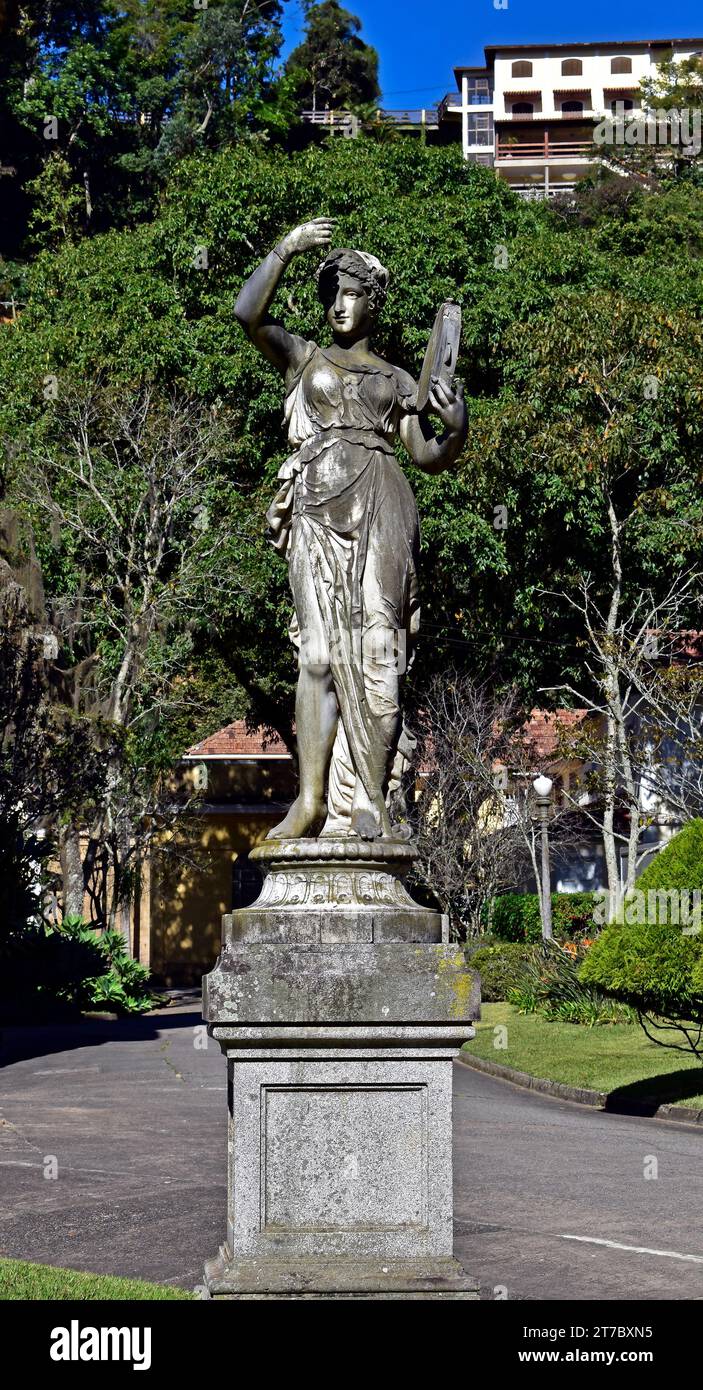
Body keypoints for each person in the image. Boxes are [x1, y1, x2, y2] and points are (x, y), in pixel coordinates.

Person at [234, 217, 468, 840]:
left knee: (379, 655)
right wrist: (285, 248)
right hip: (315, 506)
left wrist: (457, 428)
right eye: (332, 291)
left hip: (384, 502)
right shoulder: (303, 358)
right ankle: (310, 801)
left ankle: (371, 799)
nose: (339, 303)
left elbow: (426, 455)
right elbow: (247, 314)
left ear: (374, 302)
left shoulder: (398, 383)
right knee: (315, 656)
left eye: (352, 291)